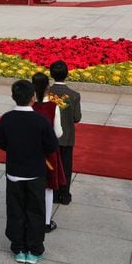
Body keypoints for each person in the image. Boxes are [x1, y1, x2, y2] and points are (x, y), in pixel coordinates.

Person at [0, 79, 59, 264]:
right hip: (35, 173)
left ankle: (19, 248)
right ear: (33, 98)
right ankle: (34, 250)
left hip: (14, 172)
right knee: (35, 211)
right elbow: (52, 145)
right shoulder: (40, 120)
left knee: (15, 210)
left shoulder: (7, 118)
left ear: (14, 97)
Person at [31, 73, 66, 233]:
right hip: (48, 153)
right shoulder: (53, 107)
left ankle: (31, 217)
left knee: (31, 184)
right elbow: (58, 133)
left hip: (31, 151)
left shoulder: (30, 106)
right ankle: (46, 222)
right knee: (48, 187)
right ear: (48, 88)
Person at [49, 60, 81, 205]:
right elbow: (77, 117)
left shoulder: (45, 93)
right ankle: (65, 195)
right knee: (66, 167)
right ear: (67, 74)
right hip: (67, 137)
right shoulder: (73, 95)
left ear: (51, 74)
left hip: (49, 138)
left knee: (51, 166)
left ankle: (53, 194)